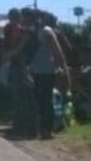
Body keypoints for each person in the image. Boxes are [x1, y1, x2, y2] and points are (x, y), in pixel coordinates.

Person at [29, 11, 68, 140]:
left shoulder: (40, 31)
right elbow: (57, 51)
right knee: (43, 100)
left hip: (41, 70)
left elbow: (57, 51)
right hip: (41, 69)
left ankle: (44, 129)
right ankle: (43, 129)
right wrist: (61, 66)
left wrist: (61, 67)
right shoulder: (42, 31)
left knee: (43, 100)